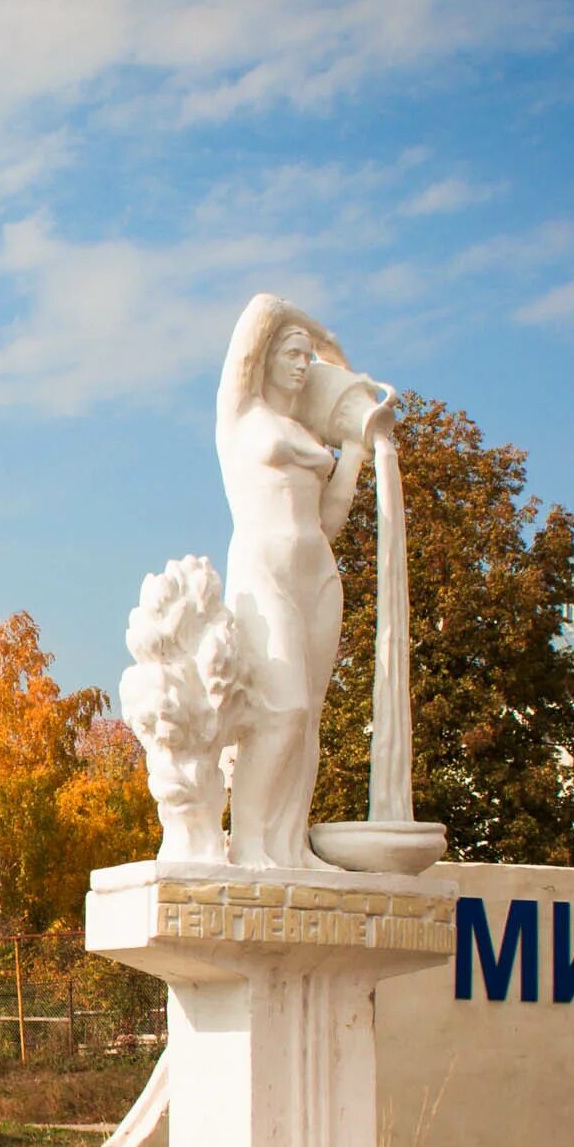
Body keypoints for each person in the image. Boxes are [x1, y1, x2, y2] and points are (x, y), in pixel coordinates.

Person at [213, 295, 371, 868]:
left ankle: (290, 848)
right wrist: (324, 331)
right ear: (267, 358)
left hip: (317, 571)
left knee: (311, 720)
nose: (304, 365)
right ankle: (250, 843)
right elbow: (258, 311)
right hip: (264, 571)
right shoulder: (240, 419)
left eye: (309, 356)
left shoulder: (304, 430)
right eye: (293, 353)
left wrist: (354, 449)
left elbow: (330, 519)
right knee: (283, 710)